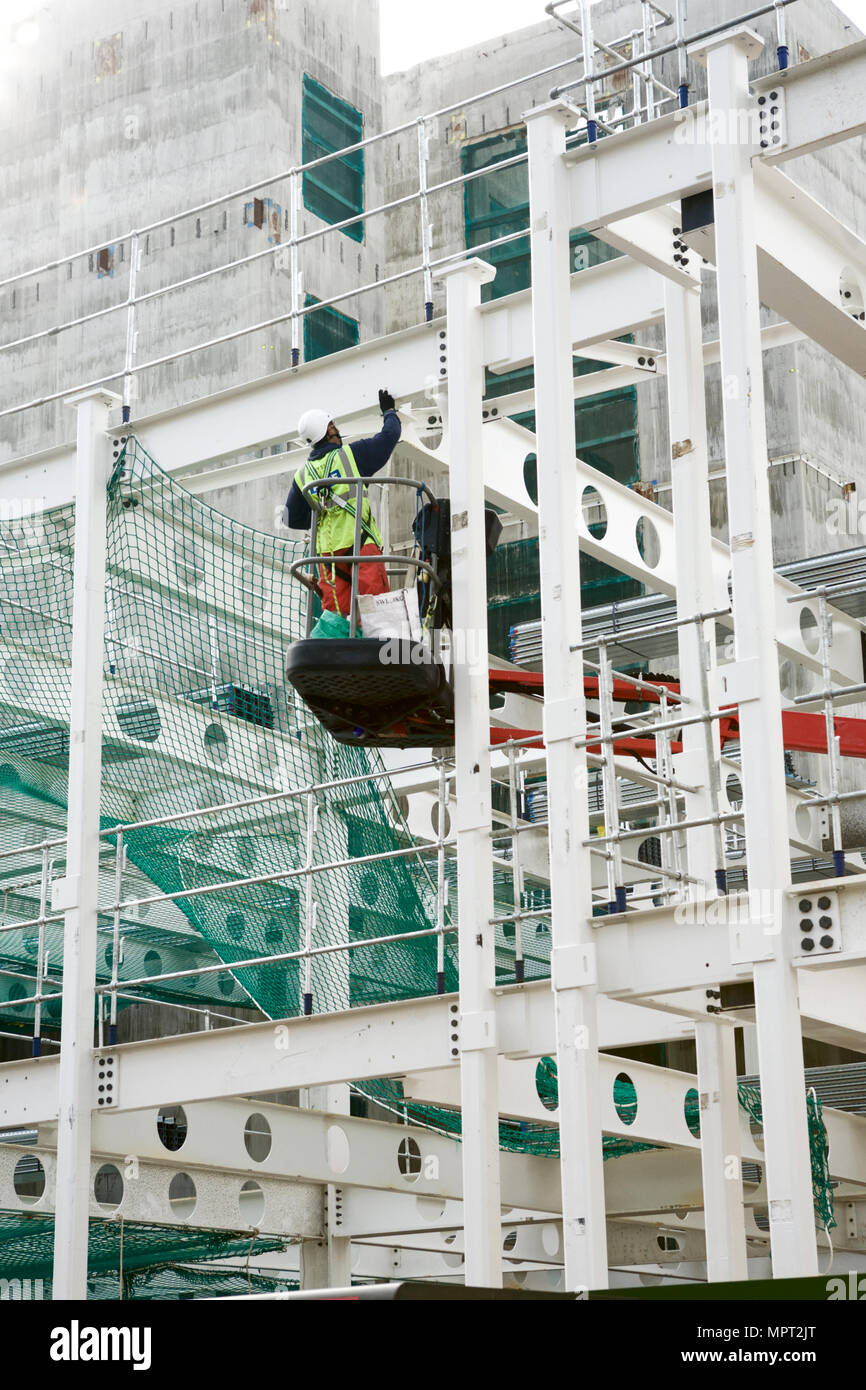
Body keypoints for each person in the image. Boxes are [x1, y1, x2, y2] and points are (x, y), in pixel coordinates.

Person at [283, 389, 400, 619]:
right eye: (333, 424)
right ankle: (382, 652)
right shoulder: (350, 455)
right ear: (328, 430)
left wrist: (320, 514)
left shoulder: (303, 475)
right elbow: (389, 438)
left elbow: (291, 518)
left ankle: (331, 652)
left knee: (336, 618)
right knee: (377, 613)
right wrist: (389, 411)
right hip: (361, 545)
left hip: (329, 556)